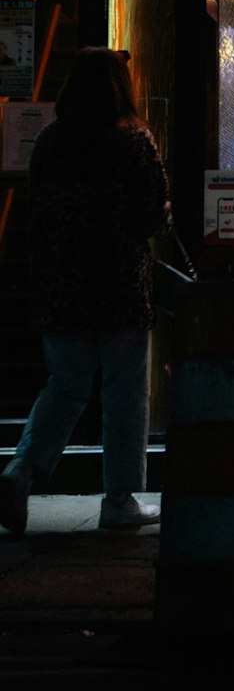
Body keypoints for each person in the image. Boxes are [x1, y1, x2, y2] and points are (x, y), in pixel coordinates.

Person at [0, 47, 171, 534]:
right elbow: (153, 216)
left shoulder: (51, 141)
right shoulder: (133, 141)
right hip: (118, 287)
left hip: (63, 288)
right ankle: (118, 500)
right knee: (124, 392)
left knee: (66, 385)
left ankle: (20, 470)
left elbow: (39, 212)